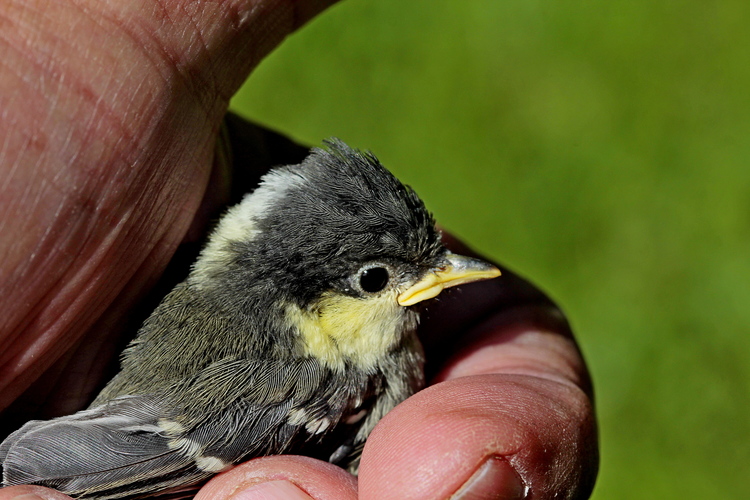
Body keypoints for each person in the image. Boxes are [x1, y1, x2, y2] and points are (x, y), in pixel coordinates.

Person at [0, 1, 598, 498]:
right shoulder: (322, 381)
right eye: (374, 279)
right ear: (301, 304)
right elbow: (119, 461)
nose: (440, 277)